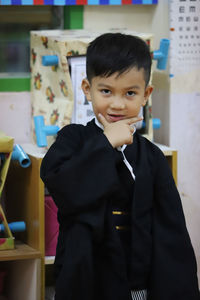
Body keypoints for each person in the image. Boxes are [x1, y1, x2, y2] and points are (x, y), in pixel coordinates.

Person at [40, 33, 200, 300]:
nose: (117, 103)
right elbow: (64, 188)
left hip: (139, 285)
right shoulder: (72, 139)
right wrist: (105, 143)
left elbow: (171, 234)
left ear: (146, 94)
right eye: (106, 91)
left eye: (130, 93)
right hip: (87, 282)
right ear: (86, 88)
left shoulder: (152, 156)